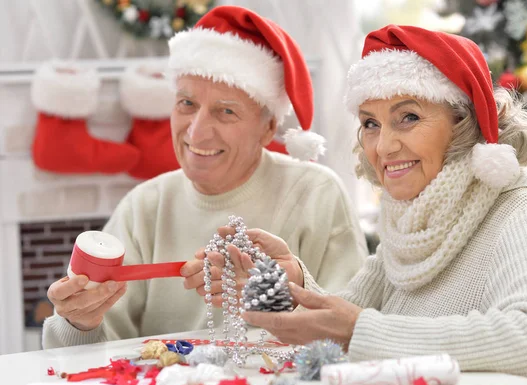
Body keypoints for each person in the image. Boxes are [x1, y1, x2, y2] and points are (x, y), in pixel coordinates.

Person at [213, 25, 527, 385]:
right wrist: (292, 286)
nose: (383, 147)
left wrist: (357, 330)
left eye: (408, 117)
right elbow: (350, 321)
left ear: (465, 122)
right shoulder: (416, 218)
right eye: (370, 123)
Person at [41, 6, 367, 349]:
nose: (196, 133)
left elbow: (354, 331)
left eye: (226, 111)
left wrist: (285, 289)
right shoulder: (144, 205)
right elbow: (84, 351)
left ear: (269, 127)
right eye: (186, 103)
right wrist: (78, 321)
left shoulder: (317, 193)